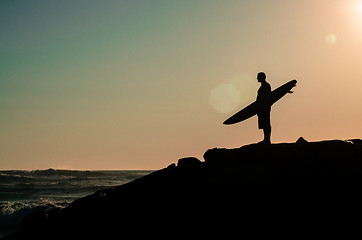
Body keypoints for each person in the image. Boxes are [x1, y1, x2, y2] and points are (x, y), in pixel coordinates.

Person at [256, 72, 272, 144]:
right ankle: (265, 139)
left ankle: (267, 140)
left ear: (262, 77)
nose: (257, 78)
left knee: (266, 123)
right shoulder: (263, 86)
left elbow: (268, 97)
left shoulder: (266, 86)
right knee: (264, 123)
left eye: (258, 77)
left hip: (265, 108)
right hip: (261, 108)